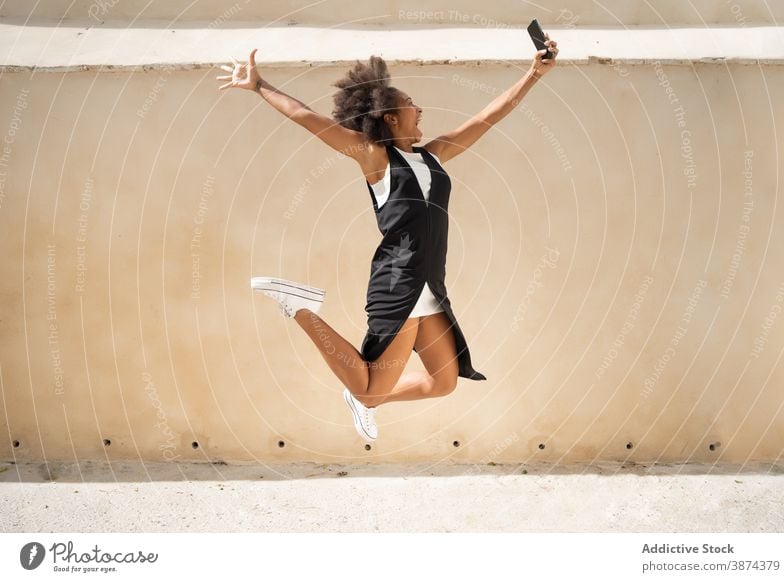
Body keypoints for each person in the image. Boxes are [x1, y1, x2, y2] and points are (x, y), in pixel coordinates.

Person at [218, 36, 558, 442]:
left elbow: (488, 116)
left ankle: (362, 398)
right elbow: (309, 119)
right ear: (391, 117)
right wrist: (260, 86)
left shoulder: (433, 155)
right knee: (368, 388)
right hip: (398, 283)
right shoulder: (375, 158)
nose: (419, 108)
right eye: (411, 102)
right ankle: (301, 309)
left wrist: (533, 74)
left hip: (429, 284)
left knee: (443, 381)